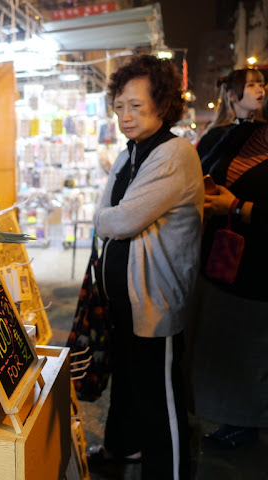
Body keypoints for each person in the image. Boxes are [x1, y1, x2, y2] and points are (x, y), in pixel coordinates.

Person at [87, 55, 204, 480]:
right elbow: (107, 213)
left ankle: (168, 472)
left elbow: (119, 219)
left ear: (163, 103)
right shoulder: (130, 153)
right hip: (124, 299)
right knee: (129, 383)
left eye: (136, 106)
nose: (126, 116)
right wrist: (106, 220)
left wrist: (104, 221)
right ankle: (123, 447)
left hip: (154, 299)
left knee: (160, 396)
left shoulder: (173, 153)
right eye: (119, 106)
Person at [189, 101, 268, 449]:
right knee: (224, 346)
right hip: (222, 257)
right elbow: (203, 164)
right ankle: (234, 418)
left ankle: (248, 423)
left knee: (252, 348)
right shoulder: (244, 133)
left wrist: (238, 207)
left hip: (259, 268)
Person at [197, 68, 265, 161]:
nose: (260, 90)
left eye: (261, 85)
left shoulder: (262, 130)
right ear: (232, 95)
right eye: (251, 85)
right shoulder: (215, 136)